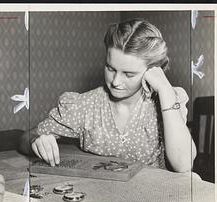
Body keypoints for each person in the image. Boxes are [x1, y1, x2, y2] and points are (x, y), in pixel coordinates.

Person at [30, 18, 197, 173]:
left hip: (152, 197)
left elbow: (183, 164)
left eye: (129, 74)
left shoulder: (167, 101)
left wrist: (165, 90)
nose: (116, 81)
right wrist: (35, 141)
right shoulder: (84, 105)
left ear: (154, 71)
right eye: (110, 68)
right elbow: (28, 136)